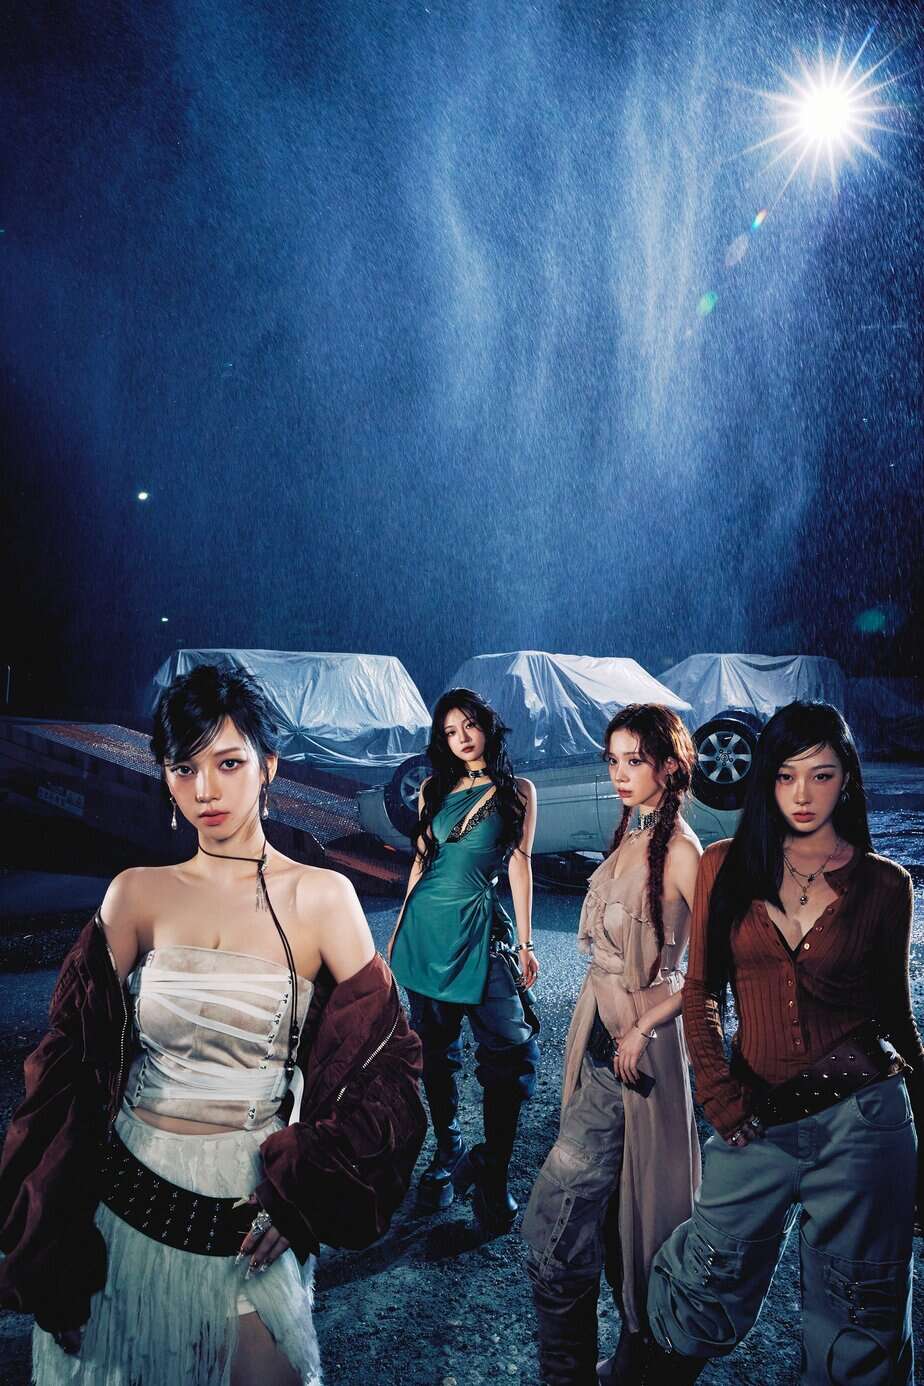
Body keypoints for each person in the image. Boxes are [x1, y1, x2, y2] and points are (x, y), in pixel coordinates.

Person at [0, 664, 427, 1385]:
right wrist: (54, 1243)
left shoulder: (322, 898)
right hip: (121, 1207)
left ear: (268, 767)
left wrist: (305, 1195)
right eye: (184, 768)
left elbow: (387, 1071)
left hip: (247, 1211)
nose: (205, 790)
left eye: (228, 764)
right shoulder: (136, 895)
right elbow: (66, 1071)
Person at [646, 700, 923, 1385]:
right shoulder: (722, 866)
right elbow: (701, 989)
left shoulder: (886, 884)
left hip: (866, 1121)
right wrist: (717, 1092)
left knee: (859, 1318)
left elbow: (897, 1019)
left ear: (847, 780)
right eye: (786, 775)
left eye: (822, 775)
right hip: (755, 1115)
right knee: (703, 1285)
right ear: (766, 779)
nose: (803, 794)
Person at [521, 703, 702, 1385]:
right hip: (596, 1042)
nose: (620, 774)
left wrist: (645, 1025)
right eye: (613, 760)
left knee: (559, 1232)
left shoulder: (683, 852)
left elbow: (713, 970)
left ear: (670, 768)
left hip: (632, 1057)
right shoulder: (631, 833)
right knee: (612, 1217)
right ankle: (622, 1364)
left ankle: (578, 1373)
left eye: (635, 761)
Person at [388, 687, 540, 1233]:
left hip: (479, 925)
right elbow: (421, 861)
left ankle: (490, 1167)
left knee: (513, 1053)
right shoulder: (433, 789)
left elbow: (519, 864)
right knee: (435, 1052)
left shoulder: (517, 791)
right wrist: (398, 929)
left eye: (469, 725)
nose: (462, 738)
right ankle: (447, 1149)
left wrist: (526, 944)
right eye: (450, 732)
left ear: (486, 726)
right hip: (425, 931)